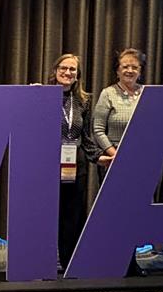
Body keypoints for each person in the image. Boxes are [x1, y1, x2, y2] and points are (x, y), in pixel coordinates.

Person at [49, 53, 99, 272]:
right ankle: (48, 256)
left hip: (75, 164)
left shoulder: (84, 100)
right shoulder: (42, 95)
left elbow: (87, 136)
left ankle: (69, 259)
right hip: (47, 164)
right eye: (64, 68)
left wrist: (98, 157)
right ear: (55, 70)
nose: (67, 73)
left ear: (77, 75)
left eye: (72, 70)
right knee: (49, 212)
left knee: (72, 213)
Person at [92, 48, 147, 185]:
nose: (130, 70)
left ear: (140, 72)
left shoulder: (147, 93)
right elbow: (98, 129)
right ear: (117, 71)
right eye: (125, 66)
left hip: (141, 158)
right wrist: (115, 155)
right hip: (113, 158)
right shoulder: (108, 93)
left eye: (134, 67)